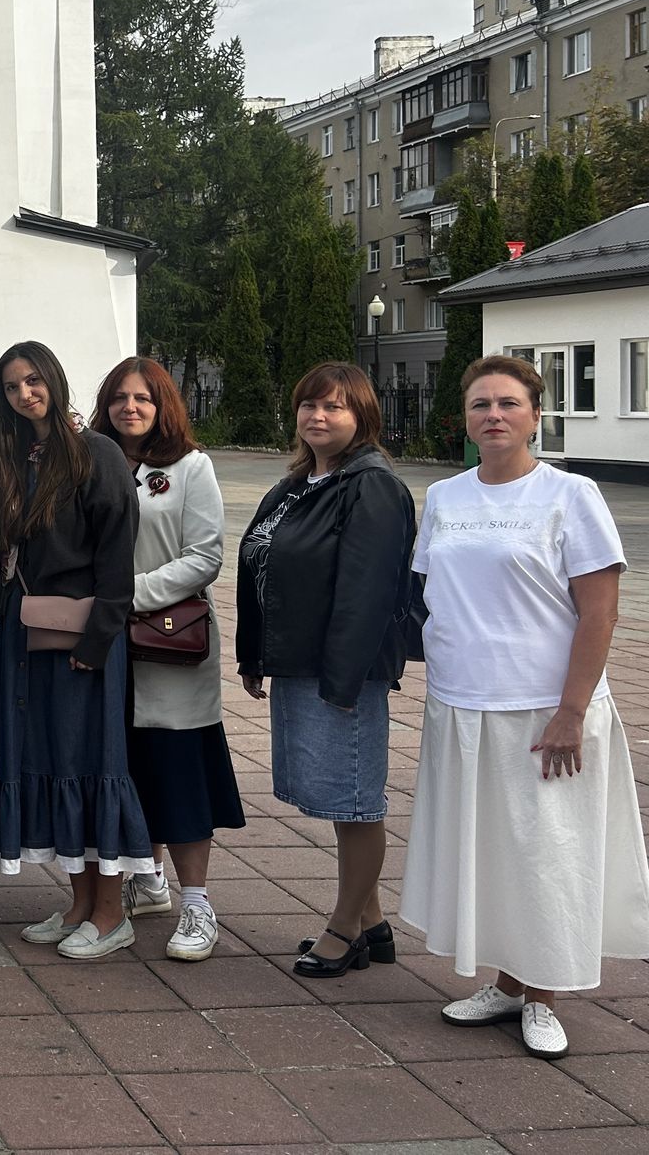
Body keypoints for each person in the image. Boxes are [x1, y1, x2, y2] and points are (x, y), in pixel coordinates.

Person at [401, 356, 648, 1059]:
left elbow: (599, 613)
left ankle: (542, 993)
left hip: (545, 711)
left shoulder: (571, 495)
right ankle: (507, 982)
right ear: (466, 417)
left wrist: (572, 711)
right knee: (491, 853)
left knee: (546, 854)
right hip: (463, 705)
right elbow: (434, 597)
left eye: (509, 403)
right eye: (481, 404)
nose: (495, 415)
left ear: (537, 415)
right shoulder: (445, 497)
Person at [236, 362, 419, 978]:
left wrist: (342, 683)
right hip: (300, 663)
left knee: (357, 801)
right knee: (340, 799)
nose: (319, 417)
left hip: (343, 673)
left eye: (335, 408)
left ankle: (344, 929)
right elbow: (259, 569)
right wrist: (254, 652)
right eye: (310, 405)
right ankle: (373, 925)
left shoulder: (373, 488)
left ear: (362, 417)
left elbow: (367, 594)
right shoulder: (295, 485)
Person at [0, 341, 149, 963]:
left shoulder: (96, 453)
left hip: (83, 638)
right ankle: (79, 903)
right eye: (10, 387)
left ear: (53, 379)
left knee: (90, 759)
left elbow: (116, 553)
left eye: (32, 380)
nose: (25, 393)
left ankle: (112, 913)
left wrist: (98, 637)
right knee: (51, 759)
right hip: (26, 634)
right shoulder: (14, 458)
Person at [92, 357, 243, 962]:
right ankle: (147, 881)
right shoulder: (96, 463)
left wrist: (126, 598)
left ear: (164, 406)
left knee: (178, 769)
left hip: (166, 642)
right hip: (106, 648)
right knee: (128, 763)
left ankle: (199, 904)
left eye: (143, 399)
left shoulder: (189, 468)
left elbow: (204, 557)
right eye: (120, 398)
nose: (131, 408)